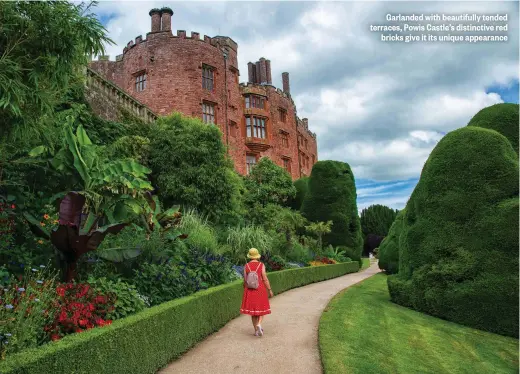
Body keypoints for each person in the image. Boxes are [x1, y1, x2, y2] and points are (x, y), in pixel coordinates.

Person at [240, 248, 274, 337]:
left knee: (253, 312)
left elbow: (245, 280)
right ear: (257, 256)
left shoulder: (246, 266)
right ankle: (259, 323)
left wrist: (245, 289)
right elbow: (265, 279)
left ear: (250, 256)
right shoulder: (261, 265)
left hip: (250, 290)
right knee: (262, 309)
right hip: (260, 289)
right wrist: (269, 290)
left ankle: (256, 330)